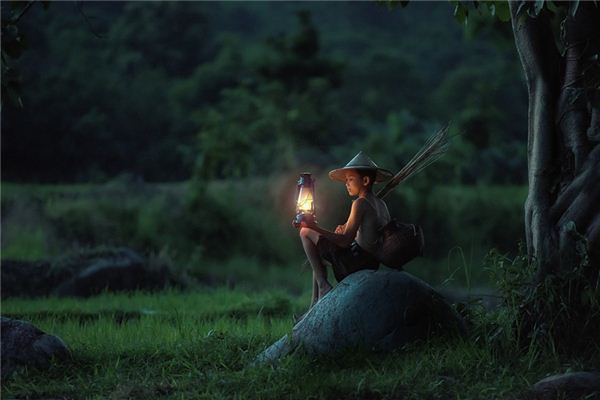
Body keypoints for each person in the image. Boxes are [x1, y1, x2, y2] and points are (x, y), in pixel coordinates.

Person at [297, 151, 393, 309]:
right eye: (346, 180)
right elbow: (367, 236)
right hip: (370, 262)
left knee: (304, 232)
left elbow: (344, 242)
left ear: (366, 180)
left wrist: (314, 227)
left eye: (350, 179)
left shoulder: (360, 203)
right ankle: (314, 305)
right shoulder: (381, 204)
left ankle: (323, 286)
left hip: (355, 262)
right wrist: (344, 230)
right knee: (317, 263)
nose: (346, 183)